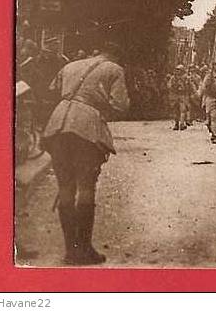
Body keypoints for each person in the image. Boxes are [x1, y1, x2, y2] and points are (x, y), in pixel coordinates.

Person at [41, 41, 129, 265]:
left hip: (57, 124)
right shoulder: (114, 69)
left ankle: (71, 250)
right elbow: (121, 105)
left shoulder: (71, 65)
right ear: (116, 55)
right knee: (86, 186)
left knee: (65, 187)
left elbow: (52, 92)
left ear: (96, 50)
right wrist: (100, 108)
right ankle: (85, 249)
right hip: (86, 128)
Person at [166, 64, 191, 131]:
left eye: (179, 70)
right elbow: (169, 86)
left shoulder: (183, 77)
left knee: (181, 110)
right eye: (177, 70)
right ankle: (178, 124)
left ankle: (180, 124)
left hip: (180, 95)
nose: (178, 71)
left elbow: (169, 86)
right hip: (178, 95)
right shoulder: (174, 78)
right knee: (178, 111)